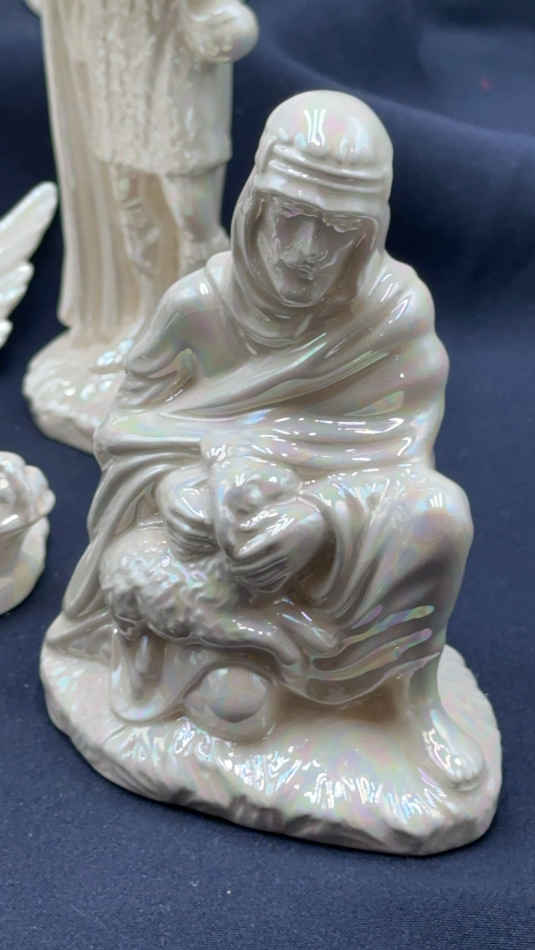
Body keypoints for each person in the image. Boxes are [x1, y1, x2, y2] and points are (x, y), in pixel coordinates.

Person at [46, 91, 483, 788]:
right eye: (291, 216)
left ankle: (407, 702)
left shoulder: (393, 312)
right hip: (216, 544)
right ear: (255, 206)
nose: (306, 251)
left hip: (331, 552)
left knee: (440, 515)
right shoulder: (198, 304)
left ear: (367, 234)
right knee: (235, 708)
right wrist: (175, 486)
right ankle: (233, 661)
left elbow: (399, 454)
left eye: (335, 229)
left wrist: (318, 519)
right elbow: (126, 423)